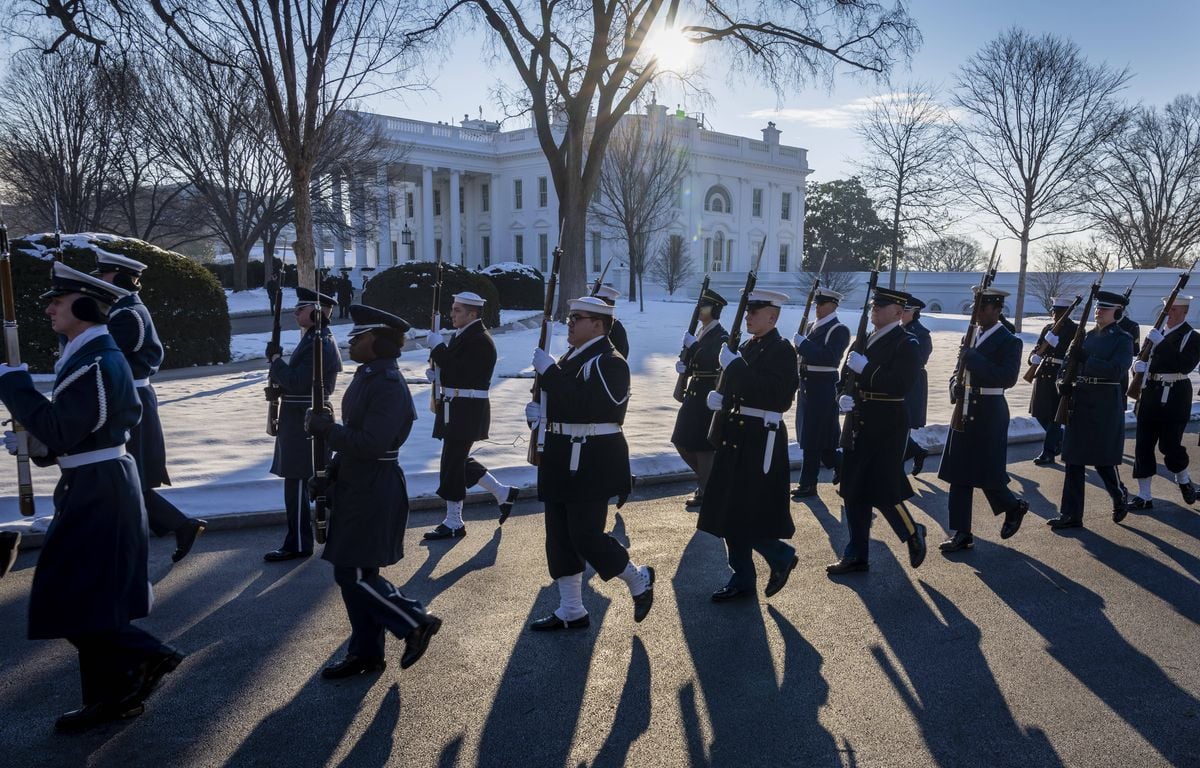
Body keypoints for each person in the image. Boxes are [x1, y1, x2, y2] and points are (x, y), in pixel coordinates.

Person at [0, 262, 183, 732]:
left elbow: (63, 427)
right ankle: (112, 695)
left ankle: (146, 655)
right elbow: (71, 432)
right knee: (88, 596)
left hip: (100, 486)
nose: (47, 310)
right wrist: (36, 443)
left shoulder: (100, 359)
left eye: (56, 302)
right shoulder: (88, 355)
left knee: (70, 594)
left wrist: (16, 389)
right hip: (91, 480)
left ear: (84, 306)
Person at [306, 304, 442, 677]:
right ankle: (366, 653)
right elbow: (356, 437)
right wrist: (330, 471)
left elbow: (372, 443)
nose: (351, 342)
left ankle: (414, 620)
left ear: (379, 342)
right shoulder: (368, 376)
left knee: (354, 575)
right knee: (354, 574)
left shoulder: (387, 385)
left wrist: (327, 430)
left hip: (373, 484)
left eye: (359, 337)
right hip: (355, 480)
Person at [526, 296, 653, 630]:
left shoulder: (611, 362)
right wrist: (539, 414)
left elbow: (590, 405)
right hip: (559, 454)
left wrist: (550, 373)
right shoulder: (572, 357)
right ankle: (571, 609)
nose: (569, 323)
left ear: (598, 324)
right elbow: (561, 401)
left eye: (576, 318)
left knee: (585, 535)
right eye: (569, 317)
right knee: (559, 537)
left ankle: (638, 579)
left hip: (592, 459)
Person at [93, 252, 206, 563]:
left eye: (103, 274)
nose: (99, 279)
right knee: (128, 476)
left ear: (117, 277)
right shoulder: (123, 310)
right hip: (133, 397)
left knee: (130, 476)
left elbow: (108, 356)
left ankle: (172, 529)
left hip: (133, 399)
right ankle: (179, 526)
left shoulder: (127, 314)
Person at [700, 289, 800, 601]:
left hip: (761, 436)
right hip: (737, 433)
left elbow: (777, 395)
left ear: (772, 316)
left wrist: (736, 368)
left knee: (745, 508)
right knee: (728, 508)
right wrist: (722, 398)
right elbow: (741, 389)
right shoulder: (746, 345)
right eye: (748, 311)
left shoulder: (782, 350)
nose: (748, 316)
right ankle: (742, 574)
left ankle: (779, 554)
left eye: (754, 312)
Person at [827, 287, 928, 574]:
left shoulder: (906, 344)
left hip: (887, 422)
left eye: (882, 307)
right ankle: (856, 554)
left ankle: (912, 531)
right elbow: (844, 377)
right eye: (874, 306)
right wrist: (841, 396)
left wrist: (868, 368)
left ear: (898, 312)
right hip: (858, 420)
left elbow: (900, 383)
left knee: (882, 488)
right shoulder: (862, 340)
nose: (875, 310)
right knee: (853, 490)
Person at [936, 289, 1030, 551]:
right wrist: (954, 384)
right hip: (965, 407)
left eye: (983, 307)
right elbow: (958, 370)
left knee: (988, 472)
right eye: (976, 307)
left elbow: (1007, 378)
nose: (977, 312)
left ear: (998, 309)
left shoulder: (1010, 341)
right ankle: (961, 532)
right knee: (959, 473)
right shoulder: (972, 334)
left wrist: (974, 358)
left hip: (989, 409)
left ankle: (1013, 507)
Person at [423, 292, 518, 540]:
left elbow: (460, 371)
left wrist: (439, 349)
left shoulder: (480, 340)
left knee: (452, 463)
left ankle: (454, 521)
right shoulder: (464, 335)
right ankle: (502, 493)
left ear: (472, 314)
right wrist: (438, 375)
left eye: (457, 310)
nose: (452, 314)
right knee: (457, 460)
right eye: (452, 309)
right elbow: (453, 371)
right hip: (456, 408)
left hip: (467, 410)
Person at [264, 287, 342, 561]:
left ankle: (299, 542)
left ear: (316, 311)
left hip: (304, 418)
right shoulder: (312, 338)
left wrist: (276, 362)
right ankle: (304, 538)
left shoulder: (319, 341)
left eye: (301, 308)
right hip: (298, 415)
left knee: (297, 481)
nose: (296, 313)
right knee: (298, 482)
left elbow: (299, 381)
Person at [1047, 290, 1135, 529]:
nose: (1099, 312)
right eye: (1098, 308)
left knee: (1103, 459)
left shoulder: (1123, 339)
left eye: (1105, 309)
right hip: (1080, 398)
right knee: (1074, 459)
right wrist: (1062, 383)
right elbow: (1067, 364)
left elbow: (1117, 370)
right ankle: (1071, 514)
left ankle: (1119, 496)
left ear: (1117, 312)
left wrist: (1087, 359)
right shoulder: (1085, 335)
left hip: (1105, 401)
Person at [1129, 295, 1200, 509]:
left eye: (1175, 310)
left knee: (1170, 445)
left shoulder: (1192, 337)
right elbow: (1142, 359)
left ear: (1185, 312)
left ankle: (1184, 480)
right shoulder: (1156, 332)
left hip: (1175, 394)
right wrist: (1136, 368)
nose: (1169, 313)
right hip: (1150, 392)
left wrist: (1164, 344)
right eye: (1167, 309)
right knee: (1143, 445)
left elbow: (1185, 365)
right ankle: (1144, 496)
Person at [671, 289, 729, 509]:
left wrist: (693, 347)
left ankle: (706, 489)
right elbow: (694, 360)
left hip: (707, 395)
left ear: (713, 310)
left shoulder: (721, 336)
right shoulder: (701, 332)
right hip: (693, 393)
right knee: (681, 440)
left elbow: (713, 361)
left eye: (704, 306)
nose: (699, 310)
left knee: (703, 446)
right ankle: (711, 481)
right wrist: (683, 369)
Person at [791, 288, 849, 499]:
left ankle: (808, 484)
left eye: (822, 304)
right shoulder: (810, 326)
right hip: (806, 386)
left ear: (833, 305)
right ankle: (843, 466)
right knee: (815, 439)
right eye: (817, 304)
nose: (818, 307)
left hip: (823, 387)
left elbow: (830, 358)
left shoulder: (839, 329)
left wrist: (804, 344)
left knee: (814, 439)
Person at [1028, 297, 1077, 465]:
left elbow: (1075, 355)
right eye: (1053, 311)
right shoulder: (1047, 328)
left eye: (1058, 312)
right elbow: (1038, 347)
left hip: (1060, 375)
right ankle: (1061, 440)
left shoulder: (1075, 329)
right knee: (1039, 413)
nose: (1054, 314)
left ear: (1066, 313)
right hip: (1043, 373)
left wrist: (1059, 347)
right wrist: (1033, 357)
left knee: (1054, 417)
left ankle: (1048, 452)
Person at [901, 297, 933, 476]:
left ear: (914, 312)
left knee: (903, 423)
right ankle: (917, 451)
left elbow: (920, 359)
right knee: (895, 424)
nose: (902, 314)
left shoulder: (922, 334)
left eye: (905, 310)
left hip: (912, 383)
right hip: (898, 381)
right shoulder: (898, 330)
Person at [594, 285, 629, 359]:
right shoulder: (589, 322)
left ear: (608, 304)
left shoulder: (615, 327)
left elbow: (620, 356)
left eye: (598, 302)